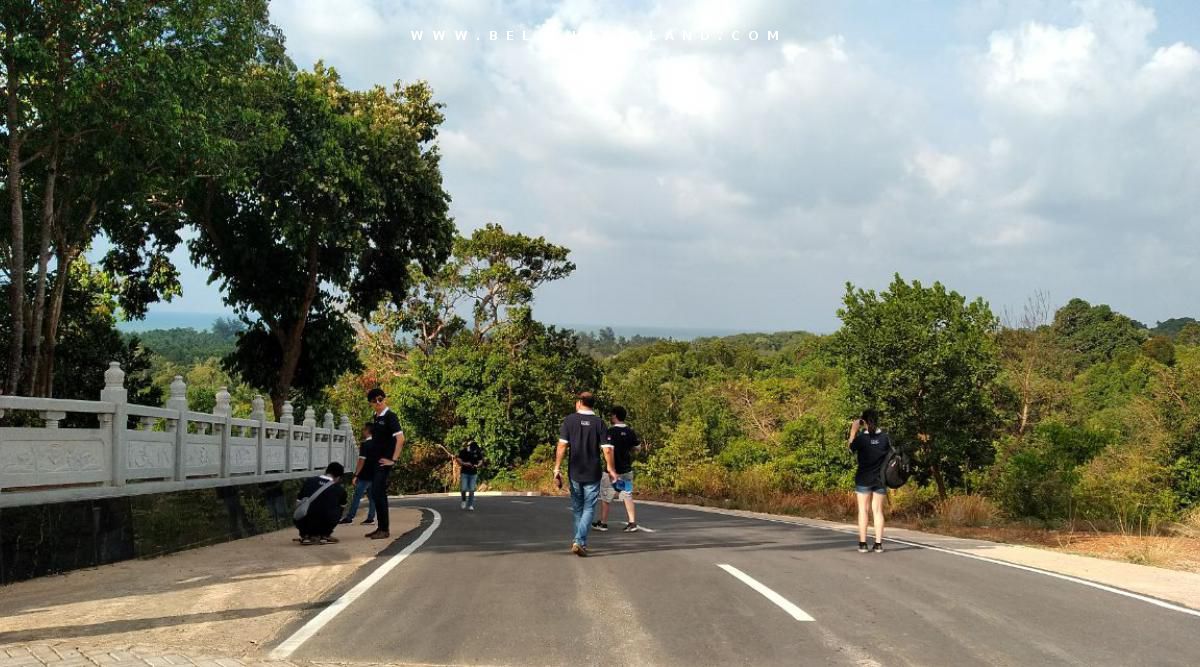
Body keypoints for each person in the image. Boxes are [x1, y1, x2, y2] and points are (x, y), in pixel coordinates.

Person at [553, 391, 617, 557]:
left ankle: (579, 541)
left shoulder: (569, 420)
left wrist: (556, 469)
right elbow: (607, 450)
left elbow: (561, 446)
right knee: (589, 507)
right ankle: (580, 542)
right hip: (593, 471)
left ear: (580, 402)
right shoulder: (599, 423)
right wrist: (610, 468)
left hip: (575, 471)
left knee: (578, 509)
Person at [365, 388, 405, 540]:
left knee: (377, 492)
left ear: (384, 399)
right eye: (374, 401)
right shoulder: (376, 417)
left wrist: (393, 460)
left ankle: (384, 529)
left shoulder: (390, 416)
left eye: (380, 399)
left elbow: (401, 439)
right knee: (376, 493)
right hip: (376, 461)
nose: (378, 403)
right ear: (371, 403)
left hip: (385, 462)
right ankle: (381, 528)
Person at [848, 409, 889, 553]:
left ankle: (863, 544)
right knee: (877, 511)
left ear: (863, 421)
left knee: (863, 510)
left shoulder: (861, 439)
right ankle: (878, 544)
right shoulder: (885, 438)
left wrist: (853, 430)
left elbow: (850, 449)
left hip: (863, 478)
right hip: (880, 479)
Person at [595, 405, 640, 532]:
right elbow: (637, 448)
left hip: (611, 471)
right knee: (627, 495)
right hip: (626, 470)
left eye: (611, 415)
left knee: (606, 496)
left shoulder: (610, 432)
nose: (610, 417)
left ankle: (603, 523)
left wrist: (611, 469)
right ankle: (632, 522)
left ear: (615, 416)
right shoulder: (630, 432)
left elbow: (608, 450)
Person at [295, 462, 348, 545]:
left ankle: (306, 535)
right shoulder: (340, 490)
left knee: (304, 507)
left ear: (326, 471)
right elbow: (342, 509)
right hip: (325, 523)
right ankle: (325, 535)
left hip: (303, 521)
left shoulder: (309, 481)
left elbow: (298, 502)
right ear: (338, 477)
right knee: (340, 507)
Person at [339, 423, 377, 525]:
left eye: (364, 429)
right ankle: (370, 517)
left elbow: (361, 461)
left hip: (365, 475)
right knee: (372, 497)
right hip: (375, 474)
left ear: (368, 431)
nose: (363, 431)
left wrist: (356, 475)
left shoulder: (365, 444)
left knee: (357, 496)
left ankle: (350, 517)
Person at [456, 440, 485, 510]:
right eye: (473, 449)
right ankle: (463, 501)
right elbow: (458, 459)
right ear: (470, 447)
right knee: (463, 489)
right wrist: (465, 463)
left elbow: (481, 461)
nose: (474, 451)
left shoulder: (477, 451)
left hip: (473, 473)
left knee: (472, 490)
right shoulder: (464, 451)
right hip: (464, 473)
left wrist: (477, 465)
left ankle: (470, 505)